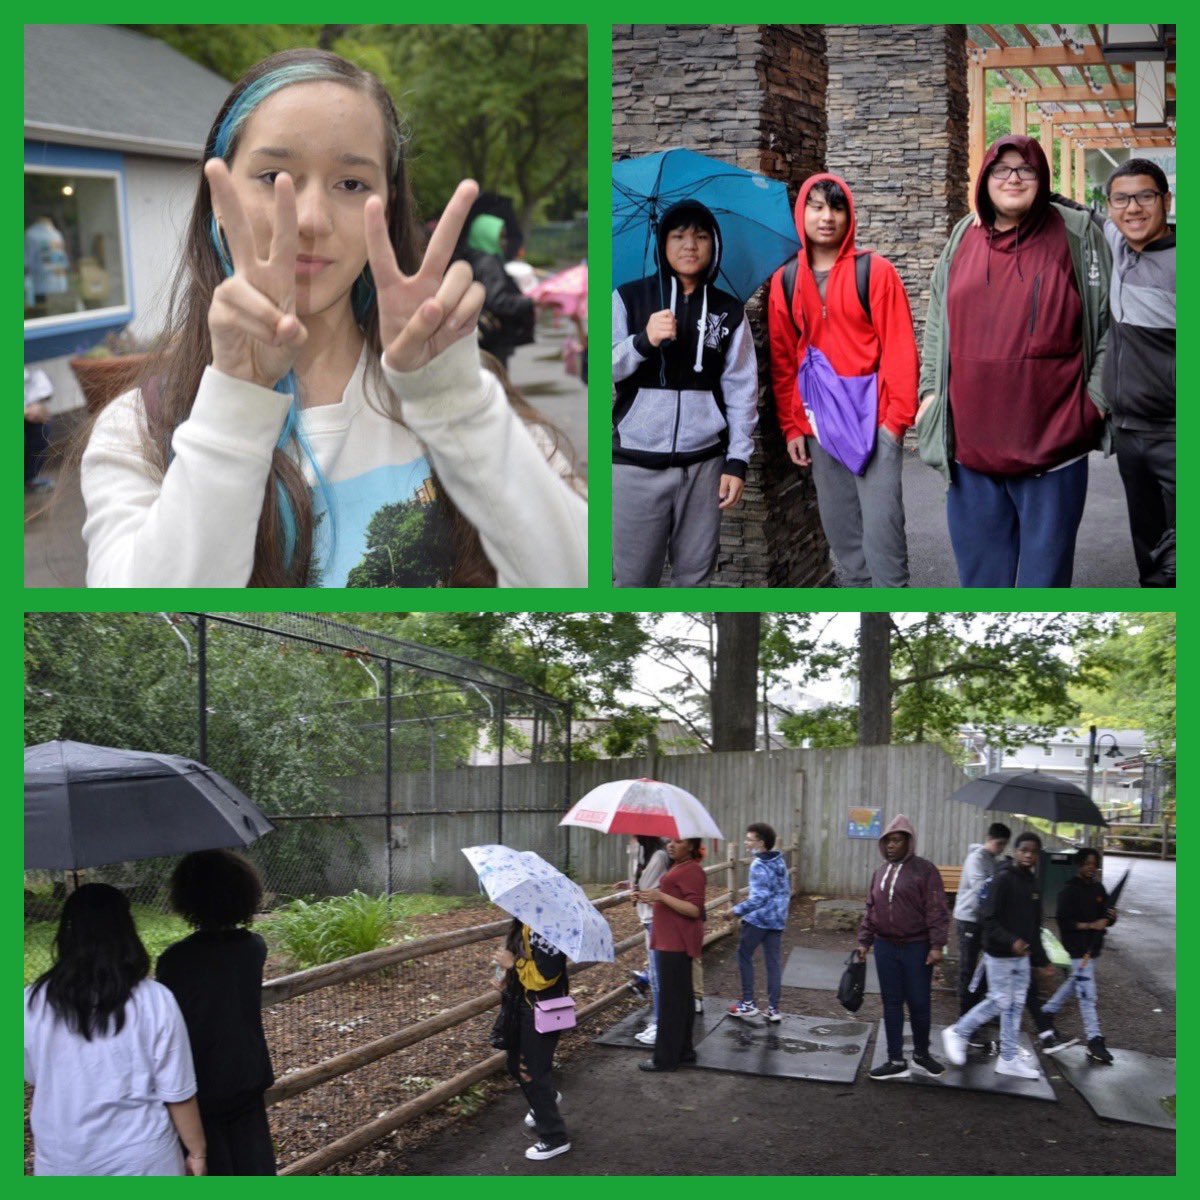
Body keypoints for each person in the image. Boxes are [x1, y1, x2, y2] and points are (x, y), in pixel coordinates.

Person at [79, 49, 585, 589]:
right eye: (274, 176)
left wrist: (455, 405)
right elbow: (170, 632)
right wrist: (236, 399)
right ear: (218, 203)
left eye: (351, 184)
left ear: (388, 209)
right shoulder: (137, 432)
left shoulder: (465, 395)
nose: (312, 220)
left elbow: (578, 582)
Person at [917, 135, 1111, 588]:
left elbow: (1110, 326)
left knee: (1044, 587)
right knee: (980, 584)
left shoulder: (1077, 234)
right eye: (1002, 169)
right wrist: (930, 395)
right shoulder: (963, 235)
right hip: (970, 455)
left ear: (1042, 177)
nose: (1013, 178)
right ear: (985, 178)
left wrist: (1095, 402)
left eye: (1025, 169)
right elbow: (936, 321)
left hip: (1053, 453)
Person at [767, 173, 919, 587]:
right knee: (844, 540)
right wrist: (794, 425)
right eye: (816, 206)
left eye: (836, 207)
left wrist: (894, 424)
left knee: (884, 538)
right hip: (820, 423)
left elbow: (901, 350)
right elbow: (783, 360)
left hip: (875, 420)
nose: (827, 217)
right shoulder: (785, 281)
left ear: (849, 215)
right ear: (803, 214)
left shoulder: (877, 272)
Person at [612, 200, 758, 587]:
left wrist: (736, 462)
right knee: (633, 580)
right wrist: (644, 340)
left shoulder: (729, 311)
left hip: (704, 466)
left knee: (695, 578)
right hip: (634, 465)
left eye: (700, 236)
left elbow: (742, 387)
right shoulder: (628, 298)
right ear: (662, 244)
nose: (689, 245)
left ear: (714, 246)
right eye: (678, 236)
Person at [24, 884, 205, 1176]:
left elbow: (35, 1074)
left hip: (62, 1161)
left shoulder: (28, 1002)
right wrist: (197, 1152)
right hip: (145, 1160)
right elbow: (178, 1091)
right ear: (126, 930)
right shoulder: (156, 999)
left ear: (66, 933)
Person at [156, 851, 276, 1175]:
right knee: (255, 1164)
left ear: (188, 899)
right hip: (247, 1074)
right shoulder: (254, 948)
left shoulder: (175, 960)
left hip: (200, 1083)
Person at [1102, 159, 1176, 587]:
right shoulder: (1117, 241)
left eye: (1145, 196)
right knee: (1148, 555)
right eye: (1122, 199)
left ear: (1165, 201)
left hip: (1176, 434)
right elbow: (1065, 207)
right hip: (1129, 435)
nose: (1133, 208)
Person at [942, 832, 1058, 1078]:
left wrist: (1042, 960)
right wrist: (1011, 940)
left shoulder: (1033, 884)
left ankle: (1008, 1058)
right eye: (1024, 850)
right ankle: (959, 1032)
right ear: (1016, 852)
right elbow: (987, 917)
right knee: (1000, 1001)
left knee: (1014, 1007)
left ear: (1038, 856)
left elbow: (1034, 927)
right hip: (999, 954)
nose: (1028, 855)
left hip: (1022, 957)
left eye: (1034, 851)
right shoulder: (1002, 879)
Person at [855, 815, 949, 1080]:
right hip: (885, 947)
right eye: (888, 842)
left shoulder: (925, 870)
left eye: (897, 841)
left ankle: (921, 1054)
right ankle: (895, 1059)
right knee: (892, 1003)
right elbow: (871, 909)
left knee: (919, 1002)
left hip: (917, 947)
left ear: (909, 841)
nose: (891, 846)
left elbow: (937, 909)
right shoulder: (880, 872)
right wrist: (864, 942)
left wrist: (937, 945)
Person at [491, 918, 570, 1161]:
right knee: (515, 1064)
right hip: (521, 1007)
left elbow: (545, 976)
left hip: (542, 1010)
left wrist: (513, 965)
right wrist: (505, 975)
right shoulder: (522, 922)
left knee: (532, 1071)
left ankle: (555, 1137)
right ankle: (544, 1101)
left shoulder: (549, 927)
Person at [1040, 847, 1117, 1064]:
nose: (1091, 868)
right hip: (1077, 949)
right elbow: (1064, 922)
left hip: (1092, 949)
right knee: (1087, 994)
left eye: (1094, 864)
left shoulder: (1098, 888)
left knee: (1075, 983)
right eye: (1087, 864)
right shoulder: (1069, 891)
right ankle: (1094, 1040)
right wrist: (1092, 924)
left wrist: (1111, 917)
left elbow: (1106, 917)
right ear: (1079, 865)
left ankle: (1046, 1013)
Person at [636, 837, 707, 1071]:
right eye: (670, 841)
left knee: (671, 1004)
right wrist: (647, 896)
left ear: (692, 846)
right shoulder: (678, 866)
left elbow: (694, 909)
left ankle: (665, 1059)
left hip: (675, 944)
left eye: (679, 841)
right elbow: (672, 899)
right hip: (669, 940)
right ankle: (684, 1052)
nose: (671, 845)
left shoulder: (692, 870)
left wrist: (660, 897)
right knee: (682, 1001)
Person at [727, 823, 790, 1022]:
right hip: (777, 921)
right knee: (773, 964)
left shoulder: (758, 865)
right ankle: (773, 1009)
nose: (746, 843)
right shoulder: (779, 861)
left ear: (760, 843)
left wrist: (735, 911)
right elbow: (784, 891)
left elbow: (759, 898)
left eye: (749, 839)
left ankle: (748, 1003)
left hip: (758, 921)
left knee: (744, 955)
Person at [461, 214, 535, 370]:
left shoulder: (473, 258)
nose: (504, 242)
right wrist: (530, 301)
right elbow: (498, 301)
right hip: (493, 339)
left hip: (478, 337)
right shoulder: (489, 263)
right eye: (500, 237)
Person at [616, 835, 671, 1046]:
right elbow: (643, 883)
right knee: (657, 974)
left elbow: (646, 886)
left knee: (657, 978)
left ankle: (661, 1025)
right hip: (650, 920)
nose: (628, 840)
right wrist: (631, 885)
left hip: (655, 919)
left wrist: (634, 889)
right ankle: (661, 1022)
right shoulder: (650, 855)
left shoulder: (657, 855)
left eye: (631, 836)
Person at [952, 822, 1011, 1019]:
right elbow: (982, 889)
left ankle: (977, 1008)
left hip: (984, 921)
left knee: (986, 966)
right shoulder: (975, 859)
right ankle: (964, 1013)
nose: (1001, 848)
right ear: (989, 839)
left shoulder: (994, 860)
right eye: (999, 843)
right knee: (967, 966)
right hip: (968, 919)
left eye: (1004, 844)